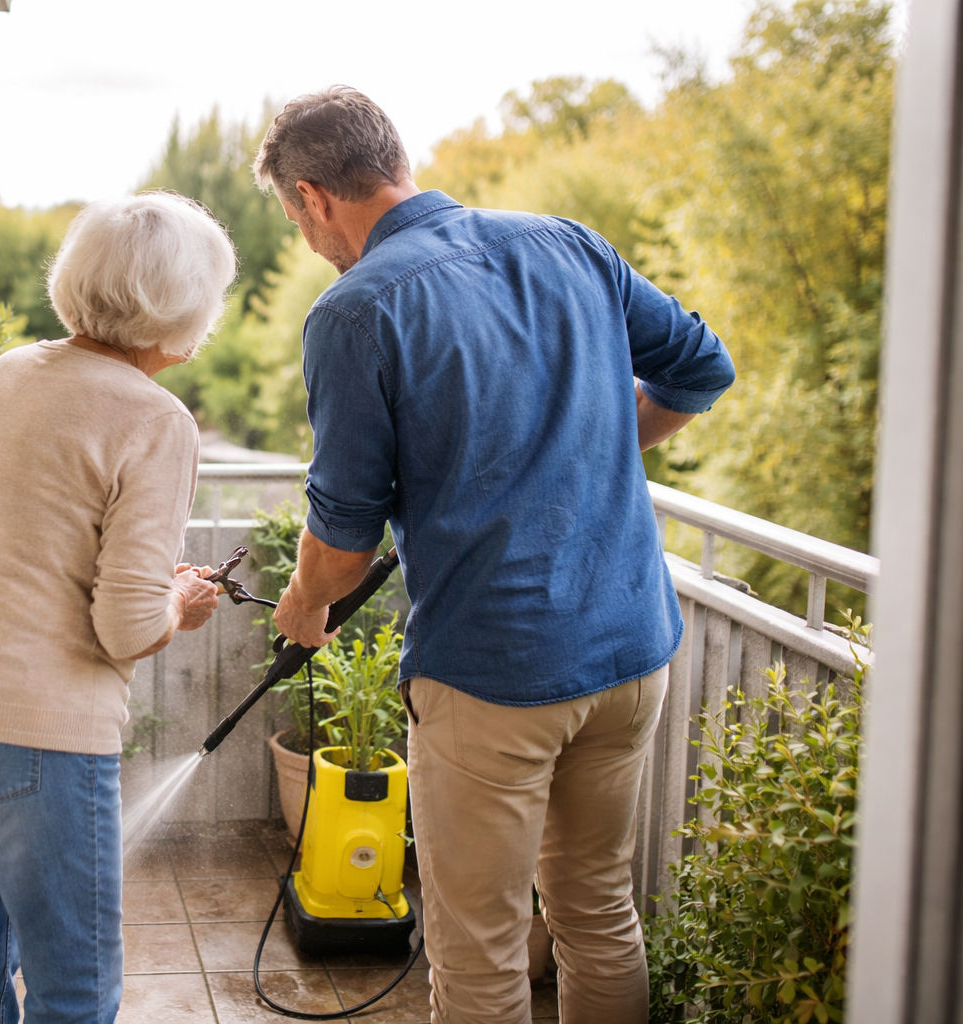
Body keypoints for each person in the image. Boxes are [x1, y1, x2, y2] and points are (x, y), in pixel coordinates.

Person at [255, 87, 735, 1024]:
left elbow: (343, 541)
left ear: (312, 197)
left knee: (480, 954)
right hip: (632, 649)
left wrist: (306, 604)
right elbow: (700, 369)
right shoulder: (568, 243)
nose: (307, 239)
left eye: (294, 218)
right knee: (598, 911)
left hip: (495, 676)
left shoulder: (354, 313)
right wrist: (596, 447)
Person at [0, 191, 235, 1024]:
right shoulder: (158, 419)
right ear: (184, 308)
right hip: (29, 733)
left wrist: (150, 585)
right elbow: (126, 627)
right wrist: (179, 602)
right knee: (74, 991)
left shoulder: (11, 371)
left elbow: (35, 540)